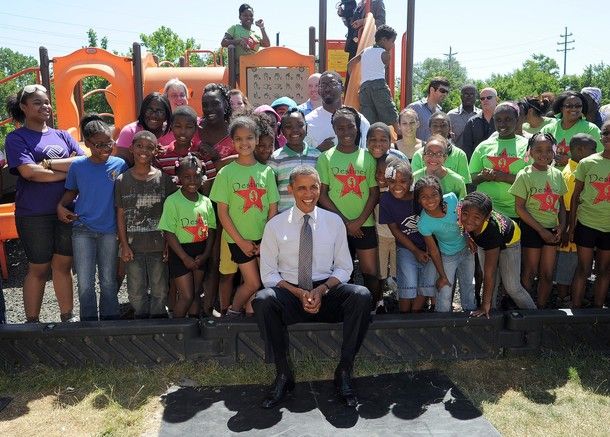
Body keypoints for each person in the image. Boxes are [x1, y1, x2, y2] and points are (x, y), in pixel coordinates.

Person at [254, 165, 372, 408]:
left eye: (314, 187)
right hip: (290, 292)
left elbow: (344, 268)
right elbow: (268, 274)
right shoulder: (275, 225)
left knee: (361, 295)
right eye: (301, 188)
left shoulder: (334, 222)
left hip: (325, 292)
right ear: (291, 190)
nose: (308, 193)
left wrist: (321, 290)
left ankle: (344, 371)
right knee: (263, 299)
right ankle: (283, 374)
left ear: (320, 188)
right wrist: (298, 292)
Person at [5, 84, 84, 323]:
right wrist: (65, 171)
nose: (45, 106)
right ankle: (31, 323)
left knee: (63, 266)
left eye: (47, 102)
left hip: (67, 211)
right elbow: (29, 173)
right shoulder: (16, 138)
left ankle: (67, 318)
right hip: (34, 215)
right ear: (23, 107)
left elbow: (82, 164)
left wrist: (47, 165)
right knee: (38, 268)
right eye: (38, 102)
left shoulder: (63, 136)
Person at [57, 115, 128, 321]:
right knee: (85, 281)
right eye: (99, 145)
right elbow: (71, 192)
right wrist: (60, 206)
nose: (105, 148)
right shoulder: (78, 166)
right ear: (87, 143)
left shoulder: (119, 164)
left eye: (109, 143)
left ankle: (110, 320)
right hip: (82, 229)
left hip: (109, 229)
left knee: (108, 279)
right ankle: (88, 322)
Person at [210, 116, 280, 317]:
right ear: (232, 142)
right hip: (237, 239)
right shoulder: (226, 173)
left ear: (257, 139)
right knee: (253, 282)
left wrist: (266, 239)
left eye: (249, 138)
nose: (244, 143)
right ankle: (232, 312)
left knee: (261, 283)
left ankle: (250, 317)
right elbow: (222, 212)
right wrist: (240, 241)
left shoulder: (266, 172)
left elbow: (272, 208)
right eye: (239, 139)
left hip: (263, 239)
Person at [316, 106, 381, 311]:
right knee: (340, 272)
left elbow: (374, 193)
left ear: (357, 127)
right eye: (340, 128)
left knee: (370, 271)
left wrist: (358, 221)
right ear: (334, 130)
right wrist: (345, 222)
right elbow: (322, 194)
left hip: (365, 224)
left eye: (350, 126)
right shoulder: (325, 158)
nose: (346, 132)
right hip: (335, 226)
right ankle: (343, 309)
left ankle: (374, 307)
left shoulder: (368, 157)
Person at [115, 131, 177, 318]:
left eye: (150, 147)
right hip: (133, 247)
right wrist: (124, 245)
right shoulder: (122, 180)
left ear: (155, 151)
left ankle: (158, 321)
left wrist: (168, 243)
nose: (144, 150)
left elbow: (170, 214)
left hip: (158, 246)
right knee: (135, 290)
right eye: (139, 146)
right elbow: (120, 215)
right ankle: (141, 321)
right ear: (131, 148)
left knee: (160, 289)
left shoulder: (163, 180)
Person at [509, 133, 567, 308]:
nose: (545, 154)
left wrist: (562, 226)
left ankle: (541, 309)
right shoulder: (524, 174)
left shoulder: (557, 174)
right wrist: (541, 231)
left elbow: (561, 205)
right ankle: (526, 310)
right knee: (529, 272)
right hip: (532, 229)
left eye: (549, 150)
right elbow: (519, 207)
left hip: (552, 231)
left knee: (547, 274)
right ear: (530, 152)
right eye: (539, 150)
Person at [461, 192, 537, 318]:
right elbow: (461, 222)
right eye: (465, 214)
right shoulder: (460, 209)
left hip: (509, 242)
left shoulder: (491, 230)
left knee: (512, 286)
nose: (469, 220)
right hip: (485, 241)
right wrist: (467, 235)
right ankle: (491, 314)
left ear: (486, 217)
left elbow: (490, 272)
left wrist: (484, 304)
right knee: (492, 282)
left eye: (476, 217)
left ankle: (534, 315)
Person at [157, 154, 216, 318]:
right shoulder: (173, 201)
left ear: (202, 176)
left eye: (196, 176)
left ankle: (193, 328)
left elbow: (211, 230)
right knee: (187, 296)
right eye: (186, 177)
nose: (192, 181)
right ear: (178, 178)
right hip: (180, 253)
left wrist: (205, 255)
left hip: (200, 252)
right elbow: (169, 232)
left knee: (196, 293)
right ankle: (177, 329)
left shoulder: (206, 202)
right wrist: (184, 258)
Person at [379, 161, 435, 313]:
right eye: (392, 181)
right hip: (406, 247)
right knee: (407, 285)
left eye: (403, 181)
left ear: (411, 180)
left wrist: (431, 249)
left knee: (426, 284)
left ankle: (415, 315)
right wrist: (416, 251)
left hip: (430, 246)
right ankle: (404, 316)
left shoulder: (419, 196)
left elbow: (433, 221)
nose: (397, 186)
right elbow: (395, 230)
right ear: (386, 181)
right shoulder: (386, 200)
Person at [415, 176, 476, 313]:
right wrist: (442, 276)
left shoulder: (452, 199)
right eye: (424, 197)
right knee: (445, 290)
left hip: (466, 251)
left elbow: (463, 220)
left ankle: (470, 319)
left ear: (441, 194)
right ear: (418, 200)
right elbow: (434, 251)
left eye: (434, 195)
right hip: (447, 255)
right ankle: (442, 323)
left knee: (468, 286)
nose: (430, 200)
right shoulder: (424, 223)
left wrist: (467, 237)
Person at [569, 119, 610, 308]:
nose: (609, 137)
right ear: (600, 137)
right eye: (606, 133)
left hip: (608, 228)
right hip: (587, 223)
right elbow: (575, 196)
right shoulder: (587, 162)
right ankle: (575, 310)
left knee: (604, 270)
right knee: (583, 269)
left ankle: (598, 310)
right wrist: (571, 226)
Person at [554, 134, 597, 307]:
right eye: (592, 149)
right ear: (579, 150)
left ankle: (572, 295)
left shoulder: (578, 170)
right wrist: (568, 230)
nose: (596, 153)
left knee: (575, 265)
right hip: (571, 230)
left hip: (577, 227)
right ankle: (564, 299)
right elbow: (568, 205)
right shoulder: (572, 174)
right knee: (567, 265)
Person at [469, 103, 529, 220]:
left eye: (508, 119)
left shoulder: (527, 146)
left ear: (517, 120)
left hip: (517, 212)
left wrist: (504, 177)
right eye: (498, 120)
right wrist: (483, 176)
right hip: (486, 211)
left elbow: (532, 180)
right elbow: (471, 178)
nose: (502, 124)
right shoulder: (483, 146)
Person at [347, 24, 399, 133]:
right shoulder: (385, 54)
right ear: (384, 40)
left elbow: (351, 63)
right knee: (388, 110)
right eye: (392, 41)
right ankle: (398, 132)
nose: (393, 45)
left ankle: (369, 136)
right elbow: (384, 65)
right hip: (379, 86)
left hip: (364, 88)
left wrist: (352, 77)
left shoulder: (365, 50)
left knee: (368, 116)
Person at [267, 108, 321, 212]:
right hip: (284, 219)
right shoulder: (275, 159)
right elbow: (271, 194)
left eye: (300, 125)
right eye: (288, 127)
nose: (295, 130)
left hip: (312, 217)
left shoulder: (317, 156)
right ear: (282, 131)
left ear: (307, 127)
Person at [305, 71, 370, 151]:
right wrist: (318, 150)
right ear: (319, 91)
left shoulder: (358, 119)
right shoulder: (308, 122)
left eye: (332, 84)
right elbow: (303, 157)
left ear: (342, 88)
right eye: (323, 85)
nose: (327, 89)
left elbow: (366, 152)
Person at [410, 112, 471, 185]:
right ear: (429, 128)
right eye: (435, 125)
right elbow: (414, 183)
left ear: (450, 128)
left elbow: (464, 184)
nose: (439, 129)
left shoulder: (460, 155)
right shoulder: (419, 155)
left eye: (443, 125)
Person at [114, 92, 173, 165]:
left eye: (160, 112)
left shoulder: (174, 132)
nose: (153, 115)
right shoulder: (130, 131)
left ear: (167, 115)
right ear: (143, 111)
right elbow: (121, 166)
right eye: (149, 110)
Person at [156, 106, 209, 177]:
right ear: (171, 127)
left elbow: (209, 184)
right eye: (178, 126)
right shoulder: (162, 155)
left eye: (189, 127)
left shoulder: (203, 154)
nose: (183, 132)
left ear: (195, 128)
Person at [412, 135, 467, 199]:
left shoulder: (457, 182)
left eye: (439, 154)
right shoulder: (415, 178)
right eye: (429, 153)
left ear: (445, 158)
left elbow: (461, 206)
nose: (434, 157)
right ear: (423, 156)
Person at [221, 3, 270, 73]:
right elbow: (223, 42)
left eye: (251, 15)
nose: (249, 17)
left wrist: (261, 27)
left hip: (253, 71)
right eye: (245, 15)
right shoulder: (235, 28)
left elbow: (267, 44)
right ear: (240, 17)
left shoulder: (255, 34)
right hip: (238, 70)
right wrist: (238, 41)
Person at [407, 76, 450, 141]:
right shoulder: (415, 107)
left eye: (447, 92)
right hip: (417, 150)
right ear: (432, 90)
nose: (445, 94)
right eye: (442, 91)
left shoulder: (440, 112)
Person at [462, 87, 498, 160]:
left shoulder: (504, 121)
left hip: (499, 165)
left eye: (489, 97)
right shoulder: (472, 122)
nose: (485, 100)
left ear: (496, 99)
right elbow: (467, 148)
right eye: (482, 98)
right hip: (477, 165)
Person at [447, 85, 481, 150]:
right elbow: (446, 137)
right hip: (457, 155)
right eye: (466, 94)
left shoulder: (481, 115)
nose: (469, 97)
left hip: (476, 155)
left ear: (476, 97)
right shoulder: (451, 115)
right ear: (461, 96)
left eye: (472, 95)